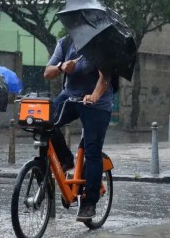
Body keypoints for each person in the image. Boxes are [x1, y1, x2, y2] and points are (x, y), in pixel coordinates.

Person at [44, 35, 113, 222]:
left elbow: (104, 76)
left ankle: (89, 202)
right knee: (44, 123)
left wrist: (95, 96)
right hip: (70, 96)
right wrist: (61, 67)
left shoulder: (100, 44)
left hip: (96, 104)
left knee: (92, 150)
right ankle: (66, 161)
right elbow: (47, 72)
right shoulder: (65, 43)